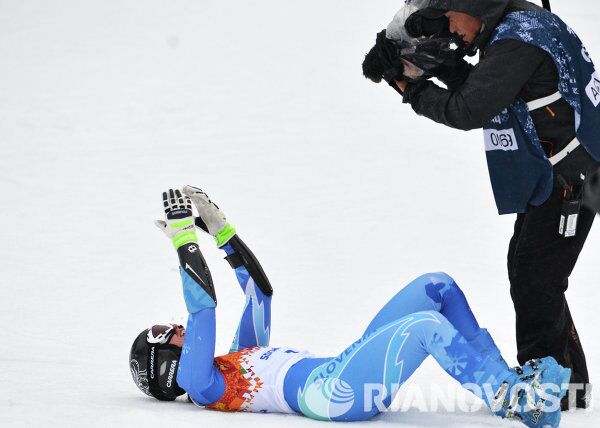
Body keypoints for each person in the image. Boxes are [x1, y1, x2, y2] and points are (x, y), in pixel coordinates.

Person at [130, 185, 571, 427]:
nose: (178, 328)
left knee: (437, 287)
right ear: (167, 365)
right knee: (424, 326)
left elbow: (258, 294)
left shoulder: (233, 361)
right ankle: (515, 399)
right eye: (171, 333)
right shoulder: (201, 384)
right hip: (333, 396)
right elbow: (202, 309)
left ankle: (503, 385)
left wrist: (221, 232)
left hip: (341, 369)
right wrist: (184, 239)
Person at [362, 0, 600, 410]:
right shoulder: (523, 27)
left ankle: (545, 392)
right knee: (529, 270)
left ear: (474, 6)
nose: (452, 34)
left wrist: (412, 88)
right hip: (562, 175)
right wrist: (434, 67)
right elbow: (494, 88)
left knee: (535, 279)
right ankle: (569, 383)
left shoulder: (518, 41)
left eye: (451, 21)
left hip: (573, 181)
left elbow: (469, 109)